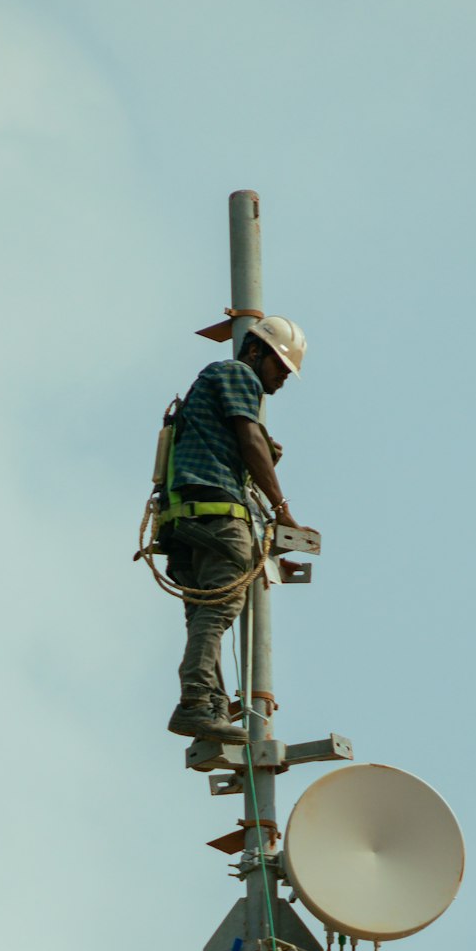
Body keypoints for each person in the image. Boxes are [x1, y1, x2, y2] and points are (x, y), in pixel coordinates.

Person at [160, 316, 309, 744]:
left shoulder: (213, 388)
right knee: (221, 606)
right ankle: (194, 704)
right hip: (216, 515)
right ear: (255, 351)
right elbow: (248, 438)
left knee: (204, 613)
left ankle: (208, 710)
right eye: (279, 365)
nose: (281, 376)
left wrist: (258, 450)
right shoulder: (237, 373)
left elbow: (241, 440)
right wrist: (281, 510)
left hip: (184, 517)